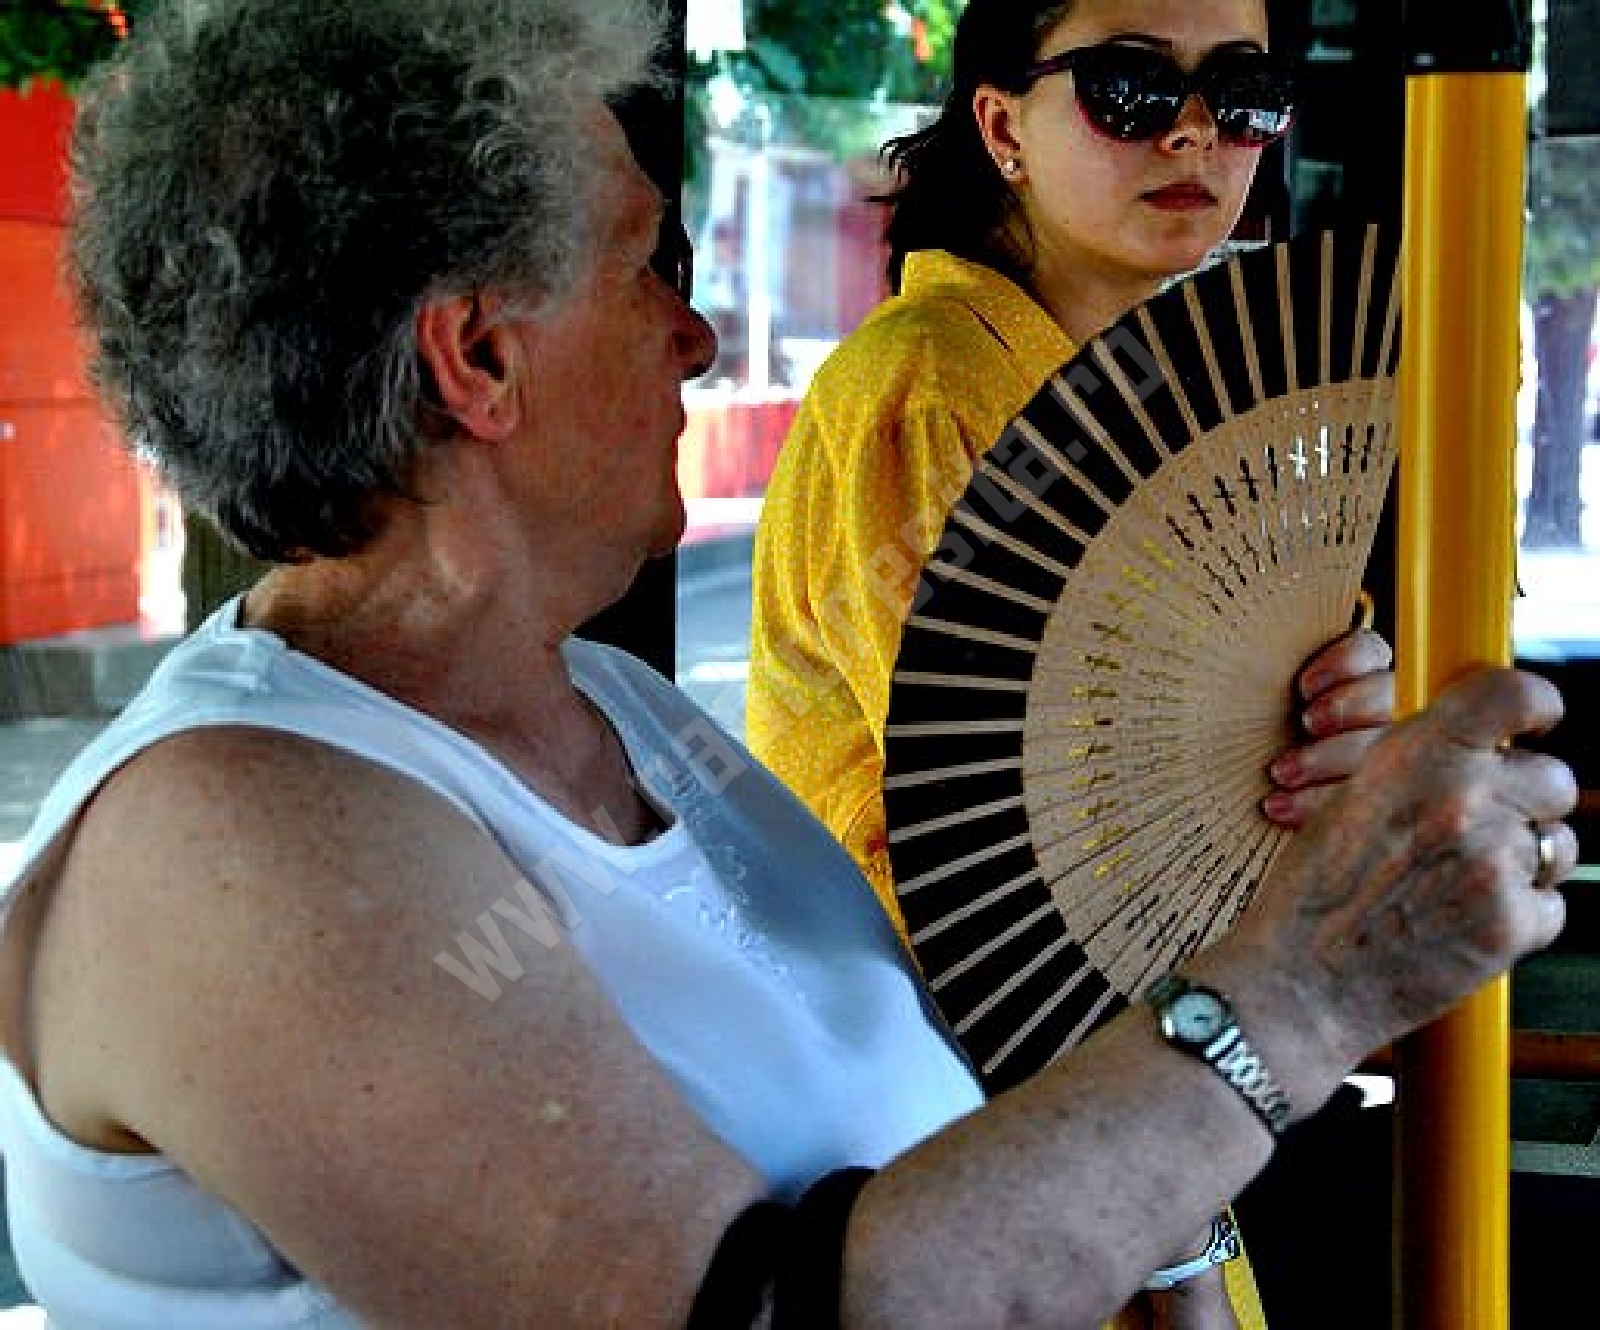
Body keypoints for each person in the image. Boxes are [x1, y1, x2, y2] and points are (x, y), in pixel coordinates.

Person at [0, 1, 1578, 1327]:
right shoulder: (224, 840)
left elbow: (988, 1056)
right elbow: (757, 1303)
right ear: (479, 357)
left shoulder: (622, 713)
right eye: (650, 268)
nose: (696, 339)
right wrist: (1308, 987)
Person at [746, 7, 1357, 1321]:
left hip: (1106, 1122)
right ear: (1002, 126)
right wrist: (1180, 1255)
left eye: (1243, 90)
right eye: (1129, 85)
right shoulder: (933, 389)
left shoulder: (1137, 400)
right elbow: (1030, 875)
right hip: (977, 1143)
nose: (1195, 131)